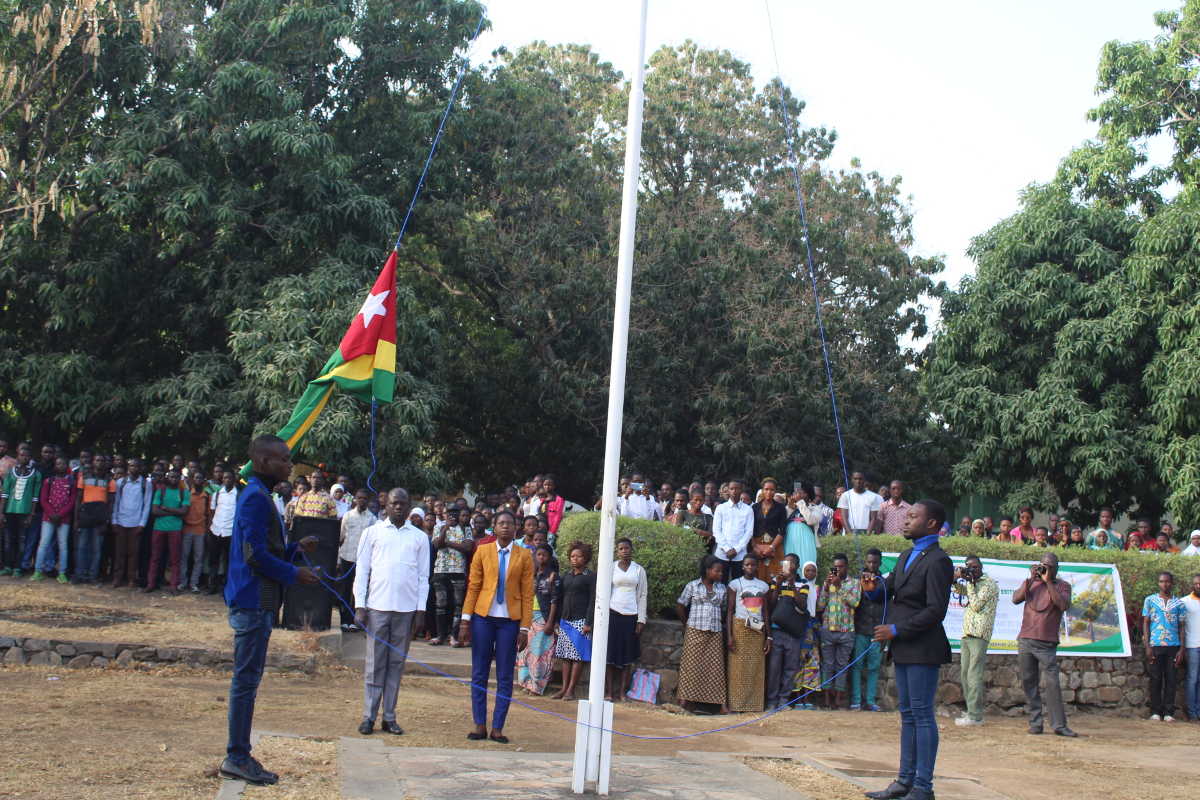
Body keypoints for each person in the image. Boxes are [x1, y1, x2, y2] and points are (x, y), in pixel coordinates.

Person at [219, 435, 320, 786]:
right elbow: (254, 556)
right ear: (263, 461)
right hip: (252, 600)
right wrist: (294, 573)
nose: (290, 466)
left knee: (249, 680)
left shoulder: (263, 497)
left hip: (260, 601)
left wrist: (294, 549)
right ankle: (236, 756)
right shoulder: (255, 499)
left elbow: (268, 548)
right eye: (284, 459)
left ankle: (239, 753)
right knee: (245, 682)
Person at [866, 499, 954, 800]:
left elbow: (935, 610)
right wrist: (872, 589)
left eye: (913, 516)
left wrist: (896, 629)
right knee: (907, 714)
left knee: (922, 714)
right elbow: (887, 592)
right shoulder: (905, 555)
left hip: (923, 647)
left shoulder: (939, 561)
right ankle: (904, 781)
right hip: (903, 648)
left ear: (932, 524)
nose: (905, 521)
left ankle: (922, 786)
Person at [352, 488, 429, 736]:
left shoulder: (419, 538)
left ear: (409, 507)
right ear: (386, 506)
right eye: (395, 503)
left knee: (396, 664)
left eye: (403, 504)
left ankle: (389, 717)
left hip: (406, 611)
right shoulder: (371, 533)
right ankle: (368, 717)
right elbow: (362, 572)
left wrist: (421, 610)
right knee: (375, 664)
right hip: (377, 608)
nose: (398, 507)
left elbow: (423, 577)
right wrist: (360, 606)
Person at [458, 509, 534, 744]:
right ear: (494, 526)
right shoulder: (482, 551)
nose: (505, 527)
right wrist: (465, 619)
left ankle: (498, 727)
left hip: (509, 622)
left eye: (509, 524)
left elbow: (528, 594)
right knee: (479, 672)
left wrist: (524, 628)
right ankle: (479, 724)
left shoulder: (524, 555)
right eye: (501, 523)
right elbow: (473, 586)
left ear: (516, 528)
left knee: (503, 675)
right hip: (483, 617)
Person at [1012, 551, 1077, 737]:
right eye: (1043, 565)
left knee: (1052, 684)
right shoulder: (1031, 584)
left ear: (1056, 569)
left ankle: (1059, 725)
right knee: (1028, 682)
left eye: (1049, 566)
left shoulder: (1062, 586)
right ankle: (1036, 723)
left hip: (1046, 643)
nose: (1045, 568)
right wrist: (1031, 580)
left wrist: (1048, 582)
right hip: (1025, 639)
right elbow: (1015, 599)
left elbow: (1062, 605)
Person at [677, 554, 729, 713]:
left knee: (715, 669)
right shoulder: (693, 586)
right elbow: (680, 605)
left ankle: (721, 704)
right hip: (695, 630)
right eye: (717, 571)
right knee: (690, 666)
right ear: (707, 571)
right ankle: (684, 700)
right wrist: (686, 624)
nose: (720, 574)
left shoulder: (722, 588)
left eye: (721, 572)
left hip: (714, 632)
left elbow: (725, 608)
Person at [953, 555, 999, 727]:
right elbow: (961, 592)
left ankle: (976, 716)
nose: (972, 570)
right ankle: (971, 710)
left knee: (974, 674)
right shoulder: (973, 583)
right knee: (965, 674)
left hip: (979, 634)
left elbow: (977, 604)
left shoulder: (989, 584)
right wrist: (955, 581)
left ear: (981, 567)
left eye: (974, 567)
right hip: (967, 632)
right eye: (968, 567)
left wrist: (970, 583)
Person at [725, 553, 771, 713]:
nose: (750, 567)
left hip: (757, 630)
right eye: (747, 565)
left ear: (757, 566)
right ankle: (736, 705)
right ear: (742, 566)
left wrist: (768, 636)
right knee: (737, 668)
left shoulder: (763, 586)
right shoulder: (735, 584)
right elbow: (730, 610)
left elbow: (766, 612)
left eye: (753, 565)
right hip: (739, 628)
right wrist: (730, 636)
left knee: (755, 668)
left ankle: (754, 705)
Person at [606, 537, 648, 702]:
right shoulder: (611, 568)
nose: (624, 551)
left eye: (627, 548)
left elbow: (643, 594)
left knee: (627, 657)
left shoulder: (639, 570)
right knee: (610, 656)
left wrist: (641, 619)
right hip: (613, 614)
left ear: (632, 550)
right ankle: (609, 692)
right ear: (617, 551)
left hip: (631, 616)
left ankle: (622, 692)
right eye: (621, 549)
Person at [817, 552, 861, 710]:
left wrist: (840, 587)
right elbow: (820, 607)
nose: (838, 569)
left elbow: (855, 603)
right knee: (827, 665)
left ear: (847, 567)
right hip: (828, 629)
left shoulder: (855, 583)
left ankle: (838, 701)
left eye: (841, 566)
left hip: (846, 631)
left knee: (842, 666)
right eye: (835, 567)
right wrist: (827, 589)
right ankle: (827, 701)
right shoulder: (827, 582)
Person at [553, 541, 596, 700]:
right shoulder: (566, 576)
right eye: (572, 556)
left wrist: (588, 623)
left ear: (585, 559)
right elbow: (559, 598)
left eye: (578, 556)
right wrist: (557, 620)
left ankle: (571, 690)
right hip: (565, 619)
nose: (574, 559)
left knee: (578, 657)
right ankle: (563, 689)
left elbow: (593, 601)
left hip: (581, 621)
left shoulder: (590, 577)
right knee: (565, 656)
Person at [766, 553, 809, 711]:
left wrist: (792, 586)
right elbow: (770, 605)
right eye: (785, 562)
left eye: (791, 563)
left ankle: (783, 701)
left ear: (797, 566)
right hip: (777, 631)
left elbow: (803, 606)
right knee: (774, 668)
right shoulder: (775, 581)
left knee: (790, 669)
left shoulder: (802, 583)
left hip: (792, 632)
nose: (787, 565)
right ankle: (771, 701)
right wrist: (777, 585)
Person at [518, 543, 560, 695]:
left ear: (549, 558)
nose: (541, 557)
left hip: (543, 617)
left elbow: (555, 601)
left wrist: (550, 621)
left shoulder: (553, 576)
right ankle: (525, 682)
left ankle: (537, 686)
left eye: (544, 555)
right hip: (528, 616)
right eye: (538, 555)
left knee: (540, 652)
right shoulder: (531, 575)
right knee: (525, 651)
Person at [1142, 571, 1185, 721]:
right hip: (1155, 644)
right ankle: (1155, 711)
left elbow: (1181, 627)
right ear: (1158, 583)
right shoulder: (1150, 600)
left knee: (1171, 679)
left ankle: (1168, 712)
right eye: (1161, 581)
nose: (1164, 584)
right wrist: (1147, 646)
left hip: (1173, 646)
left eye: (1167, 581)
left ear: (1171, 583)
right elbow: (1146, 623)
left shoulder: (1179, 603)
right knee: (1156, 678)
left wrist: (1182, 649)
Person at [430, 496, 473, 645]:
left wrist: (447, 542)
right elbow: (437, 544)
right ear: (445, 513)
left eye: (455, 512)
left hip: (458, 571)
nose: (452, 515)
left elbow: (467, 548)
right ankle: (440, 635)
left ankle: (453, 636)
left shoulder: (466, 528)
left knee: (457, 605)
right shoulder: (439, 526)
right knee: (441, 603)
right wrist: (446, 528)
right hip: (441, 570)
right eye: (450, 512)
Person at [851, 549, 886, 712]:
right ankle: (856, 701)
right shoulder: (857, 581)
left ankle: (871, 701)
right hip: (860, 629)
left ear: (880, 563)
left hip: (877, 631)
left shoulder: (885, 582)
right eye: (869, 562)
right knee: (857, 666)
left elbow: (888, 606)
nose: (871, 565)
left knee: (873, 667)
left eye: (875, 562)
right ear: (865, 562)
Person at [338, 488, 376, 632]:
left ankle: (355, 620)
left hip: (363, 560)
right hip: (347, 556)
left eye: (365, 498)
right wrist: (337, 559)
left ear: (368, 501)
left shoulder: (372, 519)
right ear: (355, 499)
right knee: (345, 590)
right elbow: (341, 537)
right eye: (359, 498)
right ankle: (344, 620)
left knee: (359, 591)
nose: (362, 501)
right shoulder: (348, 516)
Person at [110, 458, 151, 588]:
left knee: (134, 553)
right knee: (119, 552)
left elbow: (147, 505)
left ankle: (131, 579)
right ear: (128, 468)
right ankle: (117, 578)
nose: (133, 468)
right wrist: (114, 520)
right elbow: (115, 503)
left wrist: (142, 523)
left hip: (136, 523)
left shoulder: (145, 484)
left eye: (136, 466)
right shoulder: (121, 482)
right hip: (121, 521)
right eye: (131, 466)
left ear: (140, 468)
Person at [144, 468, 188, 593]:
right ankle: (151, 584)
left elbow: (184, 512)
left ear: (180, 478)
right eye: (171, 477)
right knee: (155, 557)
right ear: (167, 477)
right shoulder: (160, 491)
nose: (173, 479)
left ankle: (174, 586)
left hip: (175, 529)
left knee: (175, 559)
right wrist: (175, 511)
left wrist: (165, 508)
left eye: (176, 477)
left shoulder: (183, 492)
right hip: (159, 528)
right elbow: (154, 511)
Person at [32, 456, 74, 582]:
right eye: (58, 464)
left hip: (64, 519)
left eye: (63, 464)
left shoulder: (71, 482)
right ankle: (38, 571)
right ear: (55, 466)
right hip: (48, 518)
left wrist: (60, 515)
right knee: (43, 544)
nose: (60, 466)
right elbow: (43, 499)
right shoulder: (48, 481)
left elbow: (72, 501)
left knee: (63, 546)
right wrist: (52, 514)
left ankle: (62, 573)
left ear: (67, 466)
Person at [73, 453, 113, 584]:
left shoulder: (110, 480)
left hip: (100, 518)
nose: (100, 463)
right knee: (82, 547)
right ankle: (79, 574)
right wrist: (76, 519)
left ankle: (93, 576)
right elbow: (78, 499)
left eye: (102, 460)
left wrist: (107, 521)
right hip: (85, 516)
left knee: (97, 549)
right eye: (97, 460)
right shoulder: (83, 477)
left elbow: (111, 503)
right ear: (93, 462)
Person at [712, 477, 754, 583]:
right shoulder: (721, 508)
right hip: (722, 553)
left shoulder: (748, 510)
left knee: (738, 583)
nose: (734, 491)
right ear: (728, 490)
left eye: (737, 489)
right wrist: (726, 549)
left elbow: (748, 532)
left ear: (741, 490)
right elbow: (716, 530)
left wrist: (736, 549)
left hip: (739, 555)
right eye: (731, 489)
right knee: (720, 583)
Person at [179, 468, 210, 593]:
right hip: (187, 528)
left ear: (203, 480)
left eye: (200, 478)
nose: (197, 480)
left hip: (200, 529)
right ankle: (182, 582)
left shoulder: (207, 495)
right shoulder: (186, 493)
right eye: (196, 478)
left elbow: (208, 513)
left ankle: (194, 583)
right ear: (192, 480)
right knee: (184, 556)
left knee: (198, 558)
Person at [207, 470, 238, 594]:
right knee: (213, 560)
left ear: (234, 480)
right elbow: (212, 512)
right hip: (216, 530)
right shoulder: (218, 494)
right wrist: (210, 528)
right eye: (225, 478)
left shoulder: (238, 494)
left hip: (230, 532)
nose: (227, 480)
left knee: (228, 561)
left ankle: (225, 586)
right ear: (223, 480)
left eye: (230, 478)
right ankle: (212, 585)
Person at [750, 478, 788, 579]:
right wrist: (755, 548)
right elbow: (750, 530)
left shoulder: (781, 508)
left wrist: (771, 548)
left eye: (772, 490)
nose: (769, 492)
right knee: (757, 575)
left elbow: (783, 530)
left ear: (775, 491)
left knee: (777, 575)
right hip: (758, 547)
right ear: (762, 490)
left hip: (775, 546)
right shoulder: (754, 508)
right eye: (766, 489)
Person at [784, 483, 820, 568]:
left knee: (807, 564)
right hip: (790, 541)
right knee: (787, 564)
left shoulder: (815, 509)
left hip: (807, 542)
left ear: (808, 494)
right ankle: (785, 580)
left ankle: (807, 581)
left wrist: (800, 503)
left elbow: (810, 520)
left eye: (800, 492)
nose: (797, 495)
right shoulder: (788, 508)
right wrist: (790, 507)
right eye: (795, 492)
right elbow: (782, 522)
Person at [1181, 574, 1200, 721]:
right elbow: (1179, 627)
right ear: (1192, 585)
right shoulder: (1185, 602)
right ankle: (1192, 712)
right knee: (1192, 679)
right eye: (1196, 584)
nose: (1198, 586)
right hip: (1192, 646)